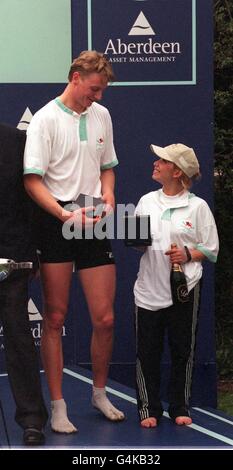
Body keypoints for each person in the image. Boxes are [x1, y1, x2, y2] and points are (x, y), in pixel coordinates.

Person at [23, 50, 124, 433]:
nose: (96, 97)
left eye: (101, 91)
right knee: (56, 317)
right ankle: (58, 405)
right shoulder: (45, 120)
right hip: (56, 219)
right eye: (93, 89)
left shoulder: (102, 115)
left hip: (93, 216)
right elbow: (32, 181)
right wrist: (65, 214)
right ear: (75, 77)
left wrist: (109, 196)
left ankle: (99, 393)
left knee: (106, 318)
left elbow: (108, 168)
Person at [133, 143, 219, 428]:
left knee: (183, 348)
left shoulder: (198, 207)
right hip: (148, 288)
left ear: (177, 171)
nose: (156, 163)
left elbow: (211, 250)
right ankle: (148, 408)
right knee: (147, 350)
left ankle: (180, 405)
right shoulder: (145, 201)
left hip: (185, 287)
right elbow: (138, 243)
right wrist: (135, 238)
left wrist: (186, 254)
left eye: (163, 160)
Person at [0, 122, 48, 446]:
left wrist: (34, 252)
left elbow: (33, 198)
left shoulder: (17, 140)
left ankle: (32, 420)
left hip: (11, 259)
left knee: (19, 339)